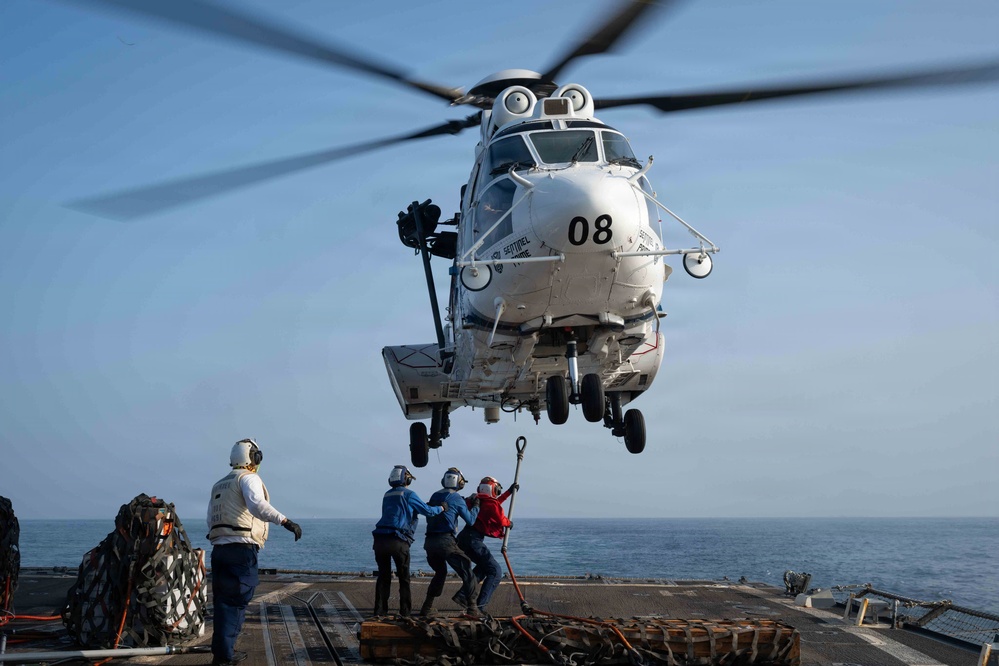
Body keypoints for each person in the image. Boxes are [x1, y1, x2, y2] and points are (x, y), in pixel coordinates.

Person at [206, 438, 302, 666]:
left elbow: (210, 518)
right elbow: (257, 505)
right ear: (253, 457)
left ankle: (222, 653)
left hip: (219, 551)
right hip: (241, 550)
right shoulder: (248, 478)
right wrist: (285, 521)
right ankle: (225, 657)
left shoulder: (219, 484)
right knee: (237, 600)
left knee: (222, 603)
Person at [372, 465, 446, 617]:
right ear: (406, 479)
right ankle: (405, 613)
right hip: (398, 540)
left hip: (379, 539)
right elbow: (428, 511)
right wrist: (442, 508)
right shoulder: (409, 494)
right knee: (404, 578)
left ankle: (379, 612)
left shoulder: (387, 494)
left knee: (383, 577)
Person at [419, 467, 480, 617]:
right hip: (445, 541)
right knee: (467, 570)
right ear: (460, 483)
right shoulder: (457, 499)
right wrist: (476, 506)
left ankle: (427, 607)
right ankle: (473, 608)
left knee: (440, 573)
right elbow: (470, 520)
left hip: (429, 542)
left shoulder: (435, 495)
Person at [456, 476, 518, 616]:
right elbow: (500, 518)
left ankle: (462, 595)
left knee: (483, 568)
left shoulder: (477, 500)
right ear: (493, 489)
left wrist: (508, 492)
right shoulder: (490, 504)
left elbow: (495, 504)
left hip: (464, 539)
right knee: (495, 571)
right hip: (473, 540)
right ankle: (480, 606)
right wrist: (509, 523)